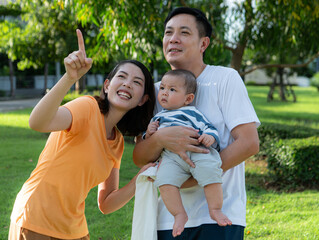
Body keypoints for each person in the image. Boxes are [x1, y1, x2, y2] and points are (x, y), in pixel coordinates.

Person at [8, 29, 156, 240]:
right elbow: (38, 122)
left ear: (142, 99)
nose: (127, 84)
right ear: (107, 85)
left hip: (74, 227)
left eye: (137, 82)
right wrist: (69, 78)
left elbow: (106, 203)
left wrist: (138, 180)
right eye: (121, 77)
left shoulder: (118, 142)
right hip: (36, 217)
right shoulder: (88, 107)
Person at [133, 7, 260, 240]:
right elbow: (140, 157)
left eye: (184, 32)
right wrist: (161, 138)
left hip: (219, 219)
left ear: (203, 44)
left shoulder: (224, 79)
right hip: (168, 220)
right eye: (168, 32)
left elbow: (249, 143)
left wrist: (197, 176)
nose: (173, 39)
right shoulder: (157, 92)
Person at [145, 69, 232, 237]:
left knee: (211, 172)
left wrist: (209, 137)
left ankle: (215, 209)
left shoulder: (192, 112)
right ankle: (179, 214)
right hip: (171, 157)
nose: (164, 93)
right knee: (164, 181)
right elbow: (150, 140)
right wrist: (149, 132)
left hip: (196, 150)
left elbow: (210, 128)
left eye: (172, 90)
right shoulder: (158, 118)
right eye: (162, 88)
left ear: (188, 98)